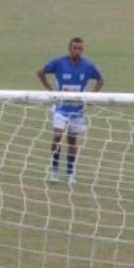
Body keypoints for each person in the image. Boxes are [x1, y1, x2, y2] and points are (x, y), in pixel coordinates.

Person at [36, 37, 104, 184]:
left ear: (82, 50)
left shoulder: (88, 66)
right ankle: (54, 169)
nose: (77, 51)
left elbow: (101, 79)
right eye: (74, 48)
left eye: (80, 49)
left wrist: (91, 96)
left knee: (72, 140)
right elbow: (40, 72)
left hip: (77, 110)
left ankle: (70, 172)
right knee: (57, 137)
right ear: (69, 49)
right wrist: (51, 90)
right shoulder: (59, 62)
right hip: (61, 107)